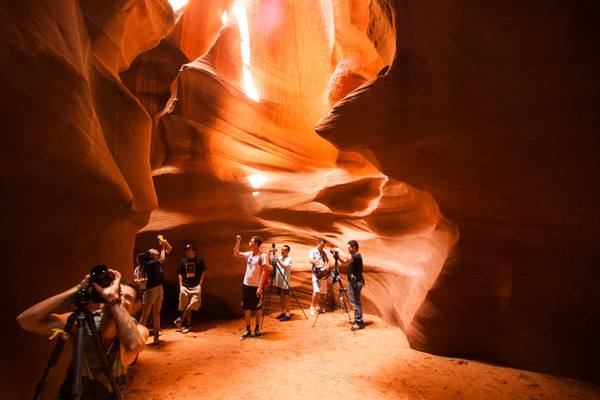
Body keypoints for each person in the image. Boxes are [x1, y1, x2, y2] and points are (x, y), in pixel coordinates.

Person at [16, 269, 148, 399]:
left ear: (137, 306)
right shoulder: (81, 323)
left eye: (127, 298)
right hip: (71, 394)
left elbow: (134, 345)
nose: (121, 299)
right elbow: (26, 321)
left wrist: (114, 300)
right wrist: (79, 288)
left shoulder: (139, 330)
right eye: (118, 293)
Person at [233, 234, 267, 338]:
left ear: (256, 244)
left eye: (251, 242)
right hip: (246, 285)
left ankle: (257, 329)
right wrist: (238, 242)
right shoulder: (249, 254)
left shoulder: (262, 256)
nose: (250, 243)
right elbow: (236, 254)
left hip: (256, 286)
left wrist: (260, 287)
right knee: (246, 307)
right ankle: (248, 329)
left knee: (257, 308)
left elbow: (264, 272)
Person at [140, 234, 172, 344]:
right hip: (150, 290)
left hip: (159, 288)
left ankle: (156, 337)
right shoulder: (150, 263)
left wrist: (164, 241)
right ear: (151, 255)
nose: (155, 249)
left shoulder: (157, 261)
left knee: (156, 313)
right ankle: (139, 337)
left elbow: (170, 248)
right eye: (152, 250)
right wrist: (162, 247)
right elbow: (163, 258)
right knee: (145, 315)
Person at [174, 244, 207, 333]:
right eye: (186, 250)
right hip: (185, 286)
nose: (187, 251)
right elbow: (180, 273)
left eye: (189, 250)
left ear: (194, 251)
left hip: (196, 286)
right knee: (186, 305)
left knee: (193, 304)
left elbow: (203, 272)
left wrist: (200, 284)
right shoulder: (182, 261)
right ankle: (188, 325)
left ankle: (180, 320)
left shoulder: (199, 260)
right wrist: (181, 285)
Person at [334, 240, 365, 330]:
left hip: (356, 283)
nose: (348, 249)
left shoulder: (357, 256)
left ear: (354, 248)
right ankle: (357, 319)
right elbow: (344, 261)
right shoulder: (354, 257)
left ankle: (359, 322)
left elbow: (346, 258)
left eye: (349, 248)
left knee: (356, 303)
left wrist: (339, 250)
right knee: (355, 301)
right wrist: (337, 257)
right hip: (354, 282)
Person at [269, 244, 292, 321]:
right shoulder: (279, 257)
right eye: (282, 249)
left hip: (285, 282)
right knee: (281, 298)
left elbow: (284, 266)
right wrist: (270, 252)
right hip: (278, 282)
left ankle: (288, 314)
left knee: (286, 298)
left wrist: (277, 259)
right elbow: (271, 262)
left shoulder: (289, 259)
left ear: (287, 252)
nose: (282, 251)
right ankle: (283, 312)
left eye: (284, 250)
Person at [308, 238, 330, 316]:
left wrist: (327, 266)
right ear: (318, 243)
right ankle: (312, 308)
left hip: (323, 274)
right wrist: (317, 262)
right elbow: (310, 260)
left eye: (324, 245)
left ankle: (318, 306)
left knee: (321, 292)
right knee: (316, 290)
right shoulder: (313, 251)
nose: (322, 247)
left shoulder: (324, 253)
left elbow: (327, 261)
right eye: (321, 245)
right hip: (315, 273)